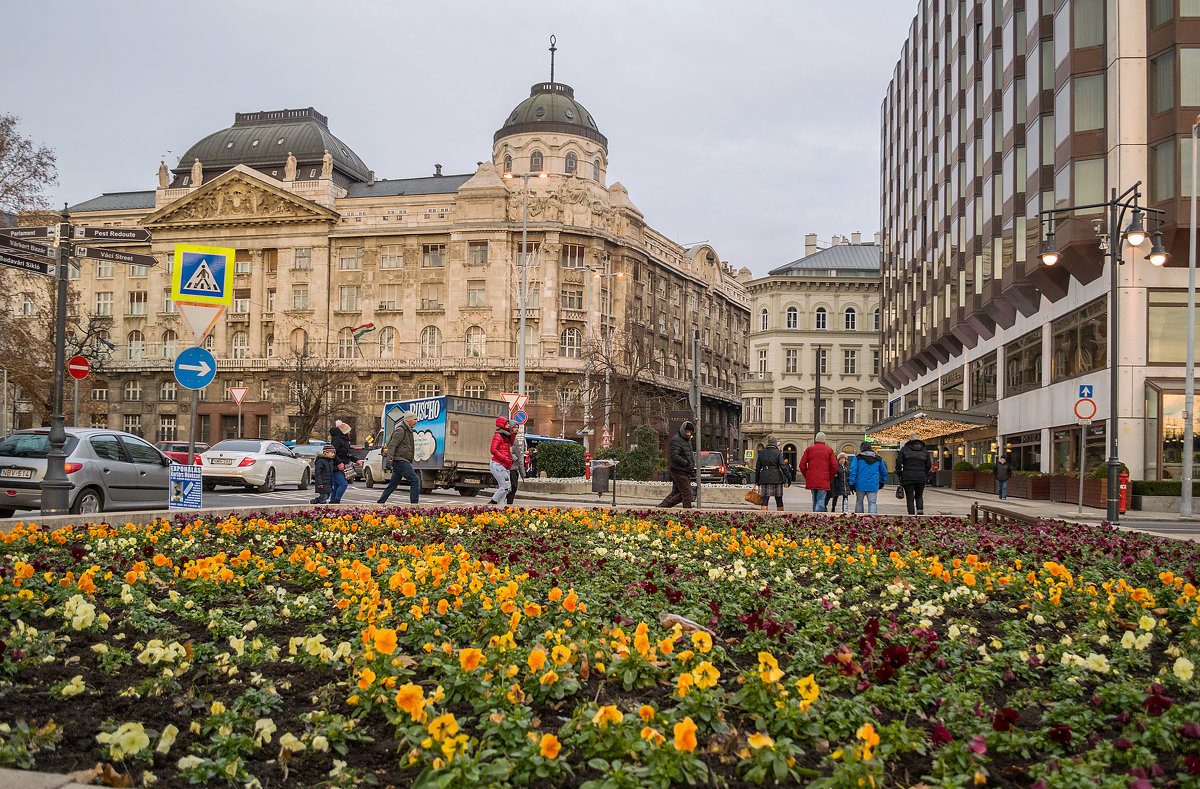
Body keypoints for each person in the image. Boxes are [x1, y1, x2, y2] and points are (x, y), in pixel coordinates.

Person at [377, 412, 420, 505]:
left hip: (401, 460)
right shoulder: (401, 430)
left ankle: (380, 502)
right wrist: (389, 460)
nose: (416, 421)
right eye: (415, 419)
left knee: (392, 485)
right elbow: (392, 445)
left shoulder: (408, 430)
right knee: (415, 480)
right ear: (408, 420)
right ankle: (414, 505)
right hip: (400, 460)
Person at [658, 421, 696, 508]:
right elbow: (674, 455)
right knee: (687, 493)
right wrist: (686, 463)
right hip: (679, 471)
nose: (689, 434)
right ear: (683, 430)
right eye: (687, 431)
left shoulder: (687, 440)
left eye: (691, 432)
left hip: (684, 471)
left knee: (678, 493)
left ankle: (663, 507)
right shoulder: (677, 440)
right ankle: (687, 513)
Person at [798, 431, 837, 512]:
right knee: (821, 500)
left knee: (815, 499)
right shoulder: (829, 450)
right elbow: (834, 466)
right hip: (824, 478)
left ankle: (814, 517)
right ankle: (817, 519)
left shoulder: (809, 449)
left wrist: (807, 475)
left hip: (812, 478)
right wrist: (829, 477)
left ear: (816, 439)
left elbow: (802, 465)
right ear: (824, 440)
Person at [896, 433, 932, 515]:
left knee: (910, 497)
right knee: (919, 495)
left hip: (907, 476)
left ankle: (911, 514)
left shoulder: (905, 449)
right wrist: (924, 473)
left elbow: (898, 462)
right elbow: (928, 465)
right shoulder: (924, 451)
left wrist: (900, 473)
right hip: (921, 476)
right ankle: (920, 510)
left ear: (909, 440)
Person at [848, 441, 888, 513]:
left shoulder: (857, 458)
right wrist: (882, 482)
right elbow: (884, 472)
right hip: (873, 485)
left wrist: (851, 483)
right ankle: (872, 521)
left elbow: (853, 471)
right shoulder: (878, 459)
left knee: (859, 502)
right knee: (872, 503)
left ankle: (858, 520)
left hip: (860, 485)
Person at [754, 436, 789, 512]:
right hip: (777, 478)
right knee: (779, 499)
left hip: (765, 478)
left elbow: (757, 469)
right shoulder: (778, 453)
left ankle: (763, 517)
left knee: (765, 499)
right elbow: (783, 467)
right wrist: (788, 478)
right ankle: (780, 517)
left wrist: (757, 481)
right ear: (775, 443)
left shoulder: (761, 453)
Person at [488, 416, 516, 505]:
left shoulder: (506, 436)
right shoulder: (498, 436)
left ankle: (500, 508)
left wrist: (513, 434)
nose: (508, 425)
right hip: (498, 465)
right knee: (506, 487)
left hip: (504, 465)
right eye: (507, 423)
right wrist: (505, 459)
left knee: (504, 488)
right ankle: (492, 502)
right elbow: (493, 450)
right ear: (502, 424)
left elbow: (510, 445)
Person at [328, 419, 357, 503]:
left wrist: (356, 460)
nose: (350, 433)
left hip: (339, 465)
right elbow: (333, 453)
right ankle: (337, 501)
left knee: (337, 485)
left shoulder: (343, 440)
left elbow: (347, 454)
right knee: (343, 484)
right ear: (344, 432)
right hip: (337, 466)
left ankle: (332, 502)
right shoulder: (337, 440)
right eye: (349, 431)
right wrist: (339, 463)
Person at [507, 436, 525, 505]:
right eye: (515, 427)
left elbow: (519, 456)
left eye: (517, 428)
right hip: (507, 468)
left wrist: (522, 473)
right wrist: (514, 458)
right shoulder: (506, 437)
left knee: (514, 487)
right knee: (506, 488)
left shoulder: (516, 440)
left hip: (514, 469)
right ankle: (498, 502)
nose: (517, 429)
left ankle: (509, 504)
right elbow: (504, 450)